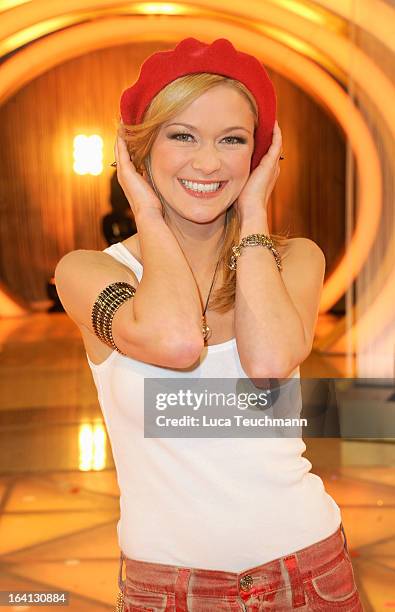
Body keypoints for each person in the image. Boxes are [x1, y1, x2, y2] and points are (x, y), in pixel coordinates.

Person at [55, 38, 363, 611]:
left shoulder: (295, 259)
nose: (207, 162)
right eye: (181, 136)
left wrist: (253, 214)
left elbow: (269, 360)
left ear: (260, 155)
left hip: (310, 571)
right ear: (140, 151)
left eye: (233, 140)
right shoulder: (88, 273)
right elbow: (173, 340)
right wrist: (146, 210)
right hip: (168, 588)